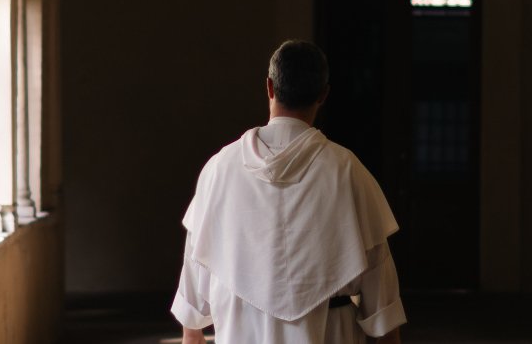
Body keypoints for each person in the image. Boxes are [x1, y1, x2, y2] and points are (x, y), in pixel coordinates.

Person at [172, 40, 406, 344]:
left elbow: (192, 318)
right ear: (324, 95)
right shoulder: (348, 172)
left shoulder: (219, 169)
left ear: (269, 87)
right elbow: (383, 313)